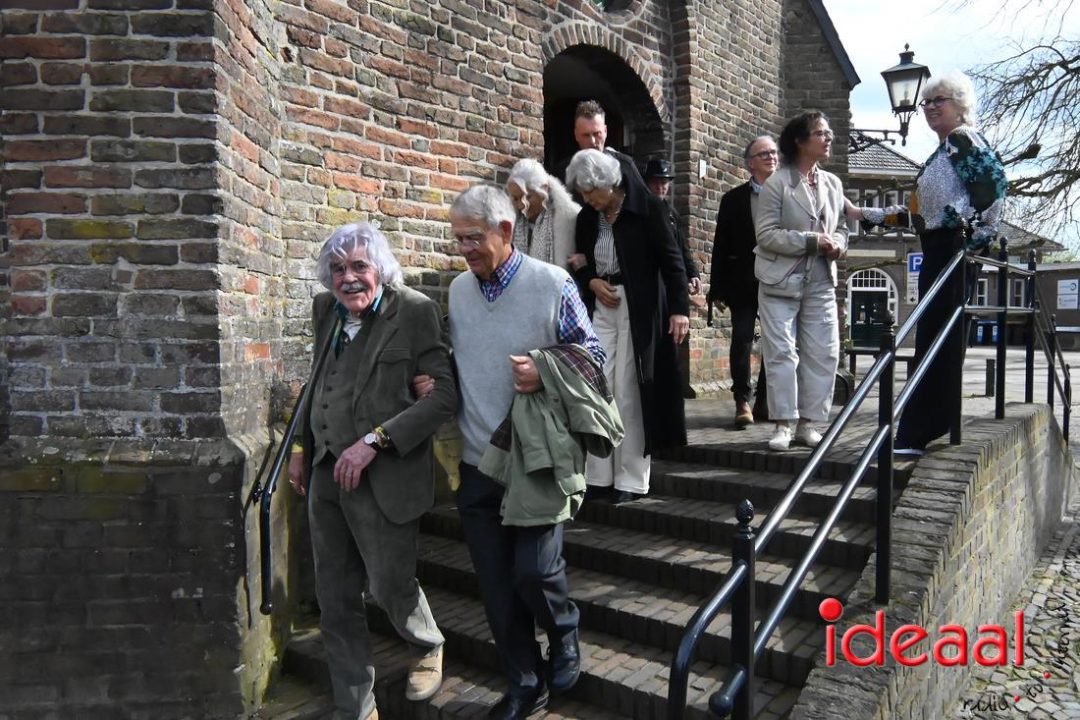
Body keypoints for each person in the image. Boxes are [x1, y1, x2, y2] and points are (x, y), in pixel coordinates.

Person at [447, 184, 606, 719]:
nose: (464, 249)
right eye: (458, 239)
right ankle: (523, 682)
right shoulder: (458, 292)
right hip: (478, 462)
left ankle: (564, 630)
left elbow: (594, 356)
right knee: (495, 588)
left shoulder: (552, 283)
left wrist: (546, 368)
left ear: (505, 230)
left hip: (536, 460)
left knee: (534, 572)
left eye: (473, 238)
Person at [287, 223, 458, 720]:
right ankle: (356, 705)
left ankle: (426, 643)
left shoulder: (415, 311)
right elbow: (317, 383)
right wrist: (299, 446)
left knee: (388, 583)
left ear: (379, 268)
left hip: (385, 474)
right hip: (325, 470)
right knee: (334, 595)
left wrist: (374, 442)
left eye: (359, 266)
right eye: (337, 268)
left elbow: (444, 397)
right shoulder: (326, 310)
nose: (348, 278)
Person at [890, 71, 1006, 455]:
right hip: (937, 248)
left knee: (938, 338)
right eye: (926, 102)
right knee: (933, 337)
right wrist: (866, 215)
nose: (929, 107)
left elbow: (993, 188)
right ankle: (925, 427)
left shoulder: (962, 140)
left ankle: (918, 431)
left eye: (939, 100)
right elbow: (923, 214)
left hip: (952, 250)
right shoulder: (942, 152)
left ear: (961, 105)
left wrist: (972, 239)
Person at [566, 148, 690, 503]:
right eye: (582, 193)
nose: (587, 200)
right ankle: (598, 476)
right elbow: (582, 261)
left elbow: (673, 262)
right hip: (602, 306)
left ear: (610, 183)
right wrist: (591, 280)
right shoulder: (588, 218)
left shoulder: (650, 209)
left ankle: (631, 480)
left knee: (630, 391)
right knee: (598, 386)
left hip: (640, 310)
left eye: (591, 192)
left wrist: (679, 310)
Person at [754, 112, 848, 452]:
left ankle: (809, 423)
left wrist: (838, 245)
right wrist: (811, 241)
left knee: (824, 352)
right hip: (780, 280)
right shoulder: (777, 183)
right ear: (799, 140)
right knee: (781, 353)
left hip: (821, 280)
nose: (828, 138)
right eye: (820, 132)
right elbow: (766, 235)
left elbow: (842, 228)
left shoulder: (833, 184)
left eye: (829, 132)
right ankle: (784, 423)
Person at [708, 135, 779, 428]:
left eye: (774, 152)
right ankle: (742, 400)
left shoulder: (789, 196)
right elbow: (721, 245)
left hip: (777, 282)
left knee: (775, 343)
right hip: (742, 283)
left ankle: (764, 400)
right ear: (750, 164)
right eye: (764, 154)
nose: (771, 157)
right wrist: (716, 288)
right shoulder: (733, 199)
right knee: (742, 339)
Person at [553, 99, 648, 197]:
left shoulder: (625, 166)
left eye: (597, 134)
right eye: (586, 135)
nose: (592, 141)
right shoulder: (562, 173)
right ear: (576, 135)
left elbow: (647, 202)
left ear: (605, 131)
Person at [505, 158, 580, 269]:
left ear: (544, 189)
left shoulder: (572, 219)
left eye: (527, 197)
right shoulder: (508, 223)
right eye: (516, 199)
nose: (521, 205)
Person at [642, 158, 701, 296]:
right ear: (647, 183)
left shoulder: (672, 214)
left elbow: (681, 246)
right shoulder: (640, 210)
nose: (659, 187)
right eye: (655, 182)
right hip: (647, 277)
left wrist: (692, 273)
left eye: (663, 183)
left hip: (669, 277)